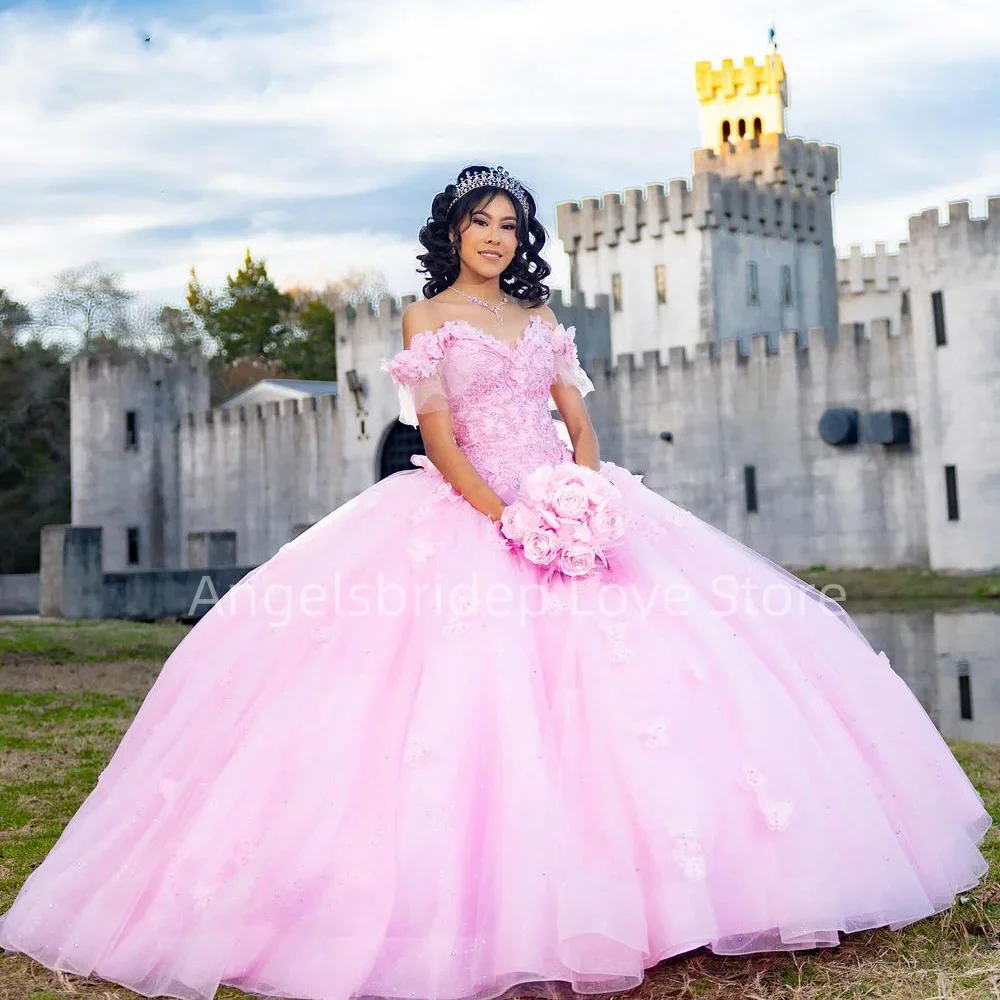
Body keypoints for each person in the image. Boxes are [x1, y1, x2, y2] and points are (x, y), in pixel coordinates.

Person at [0, 164, 990, 1000]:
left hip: (568, 498)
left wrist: (585, 488)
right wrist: (506, 514)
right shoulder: (425, 316)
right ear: (452, 232)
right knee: (459, 704)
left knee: (655, 690)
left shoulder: (540, 314)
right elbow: (437, 435)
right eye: (480, 222)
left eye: (509, 224)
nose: (495, 236)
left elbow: (576, 414)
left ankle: (675, 893)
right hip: (470, 508)